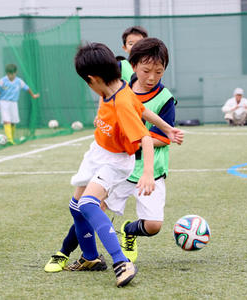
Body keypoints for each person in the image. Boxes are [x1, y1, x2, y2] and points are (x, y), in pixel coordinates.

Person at [50, 42, 183, 287]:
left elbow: (144, 137)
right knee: (76, 207)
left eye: (87, 83)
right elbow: (142, 108)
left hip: (116, 160)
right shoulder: (118, 87)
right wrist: (167, 128)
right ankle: (90, 258)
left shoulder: (121, 102)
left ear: (92, 79)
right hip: (96, 152)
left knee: (89, 205)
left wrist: (146, 174)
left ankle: (121, 261)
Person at [103, 37, 177, 263]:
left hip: (150, 171)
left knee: (153, 226)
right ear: (133, 66)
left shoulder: (165, 99)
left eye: (159, 71)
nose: (152, 77)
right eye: (146, 71)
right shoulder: (121, 88)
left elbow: (164, 138)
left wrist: (130, 141)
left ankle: (129, 230)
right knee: (95, 207)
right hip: (119, 167)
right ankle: (88, 254)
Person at [0, 64, 40, 144]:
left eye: (12, 74)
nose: (10, 76)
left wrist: (33, 95)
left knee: (13, 121)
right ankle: (9, 139)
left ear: (15, 73)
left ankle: (11, 138)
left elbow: (27, 88)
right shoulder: (2, 81)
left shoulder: (19, 81)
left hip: (14, 103)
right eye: (8, 74)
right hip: (4, 103)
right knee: (6, 120)